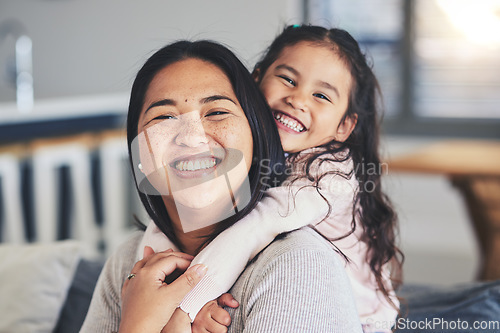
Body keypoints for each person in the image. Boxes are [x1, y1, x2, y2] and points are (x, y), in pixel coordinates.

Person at [80, 40, 363, 333]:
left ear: (258, 135)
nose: (192, 137)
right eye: (164, 117)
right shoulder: (128, 263)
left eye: (216, 112)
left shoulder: (299, 264)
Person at [160, 25, 403, 333]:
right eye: (288, 79)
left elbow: (253, 229)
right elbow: (173, 219)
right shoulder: (240, 139)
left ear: (344, 125)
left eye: (320, 95)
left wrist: (186, 304)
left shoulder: (330, 177)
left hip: (360, 320)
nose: (298, 99)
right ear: (256, 78)